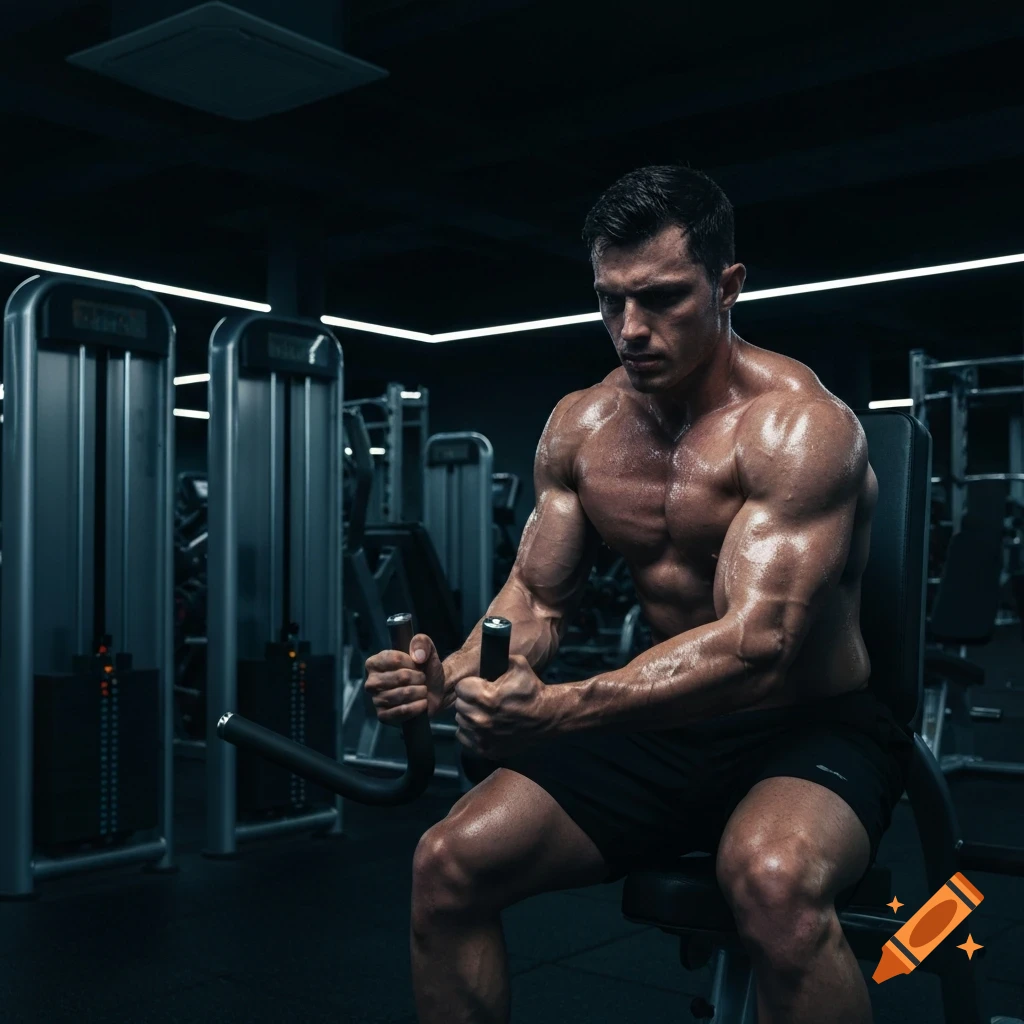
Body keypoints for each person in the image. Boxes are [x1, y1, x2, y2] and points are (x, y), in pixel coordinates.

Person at [365, 165, 911, 1024]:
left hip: (807, 721)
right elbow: (536, 602)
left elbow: (756, 643)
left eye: (660, 299)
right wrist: (455, 670)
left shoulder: (800, 426)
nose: (630, 329)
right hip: (662, 728)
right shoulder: (581, 426)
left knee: (770, 885)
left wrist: (561, 709)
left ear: (728, 286)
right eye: (610, 301)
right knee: (447, 862)